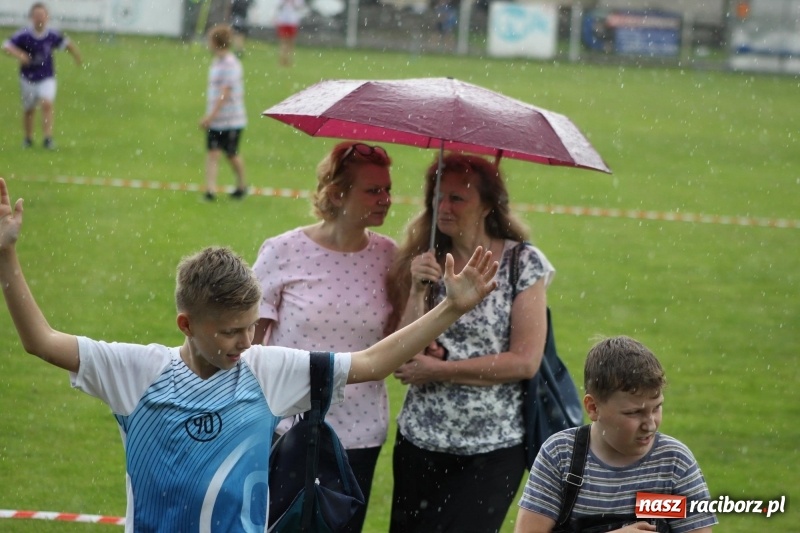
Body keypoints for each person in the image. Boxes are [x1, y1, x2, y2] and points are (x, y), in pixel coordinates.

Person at [0, 176, 498, 533]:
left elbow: (372, 363)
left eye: (249, 326)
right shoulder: (137, 372)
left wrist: (449, 309)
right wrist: (6, 254)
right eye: (230, 332)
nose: (246, 341)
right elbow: (40, 341)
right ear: (187, 325)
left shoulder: (265, 370)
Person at [387, 153, 555, 533]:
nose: (443, 207)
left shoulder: (521, 263)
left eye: (457, 199)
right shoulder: (425, 261)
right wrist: (416, 291)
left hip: (493, 448)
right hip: (420, 441)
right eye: (438, 197)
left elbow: (524, 362)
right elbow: (399, 358)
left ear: (488, 205)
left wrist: (440, 370)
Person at [253, 141, 398, 532]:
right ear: (337, 193)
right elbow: (249, 346)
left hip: (360, 434)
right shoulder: (282, 251)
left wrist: (419, 289)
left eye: (387, 189)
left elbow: (400, 341)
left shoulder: (391, 257)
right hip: (286, 428)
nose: (386, 199)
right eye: (374, 190)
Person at [514, 336, 718, 533]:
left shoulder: (674, 462)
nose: (650, 425)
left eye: (657, 408)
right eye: (634, 412)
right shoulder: (560, 455)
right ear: (593, 407)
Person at [2, 2, 82, 150]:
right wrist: (20, 54)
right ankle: (28, 138)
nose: (40, 18)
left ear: (47, 17)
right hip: (27, 77)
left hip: (46, 77)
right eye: (37, 15)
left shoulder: (51, 35)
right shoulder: (24, 35)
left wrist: (76, 56)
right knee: (29, 109)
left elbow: (66, 43)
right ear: (31, 17)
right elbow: (6, 46)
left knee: (47, 104)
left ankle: (47, 138)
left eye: (42, 15)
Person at [199, 24, 247, 201]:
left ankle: (242, 185)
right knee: (213, 152)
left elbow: (225, 93)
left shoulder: (231, 64)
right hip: (216, 120)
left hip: (231, 119)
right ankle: (210, 190)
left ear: (215, 42)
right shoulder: (216, 62)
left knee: (231, 154)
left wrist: (210, 117)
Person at [274, 0, 306, 66]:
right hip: (283, 21)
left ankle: (289, 60)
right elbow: (278, 6)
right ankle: (283, 60)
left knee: (291, 43)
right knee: (283, 42)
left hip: (292, 21)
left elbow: (300, 7)